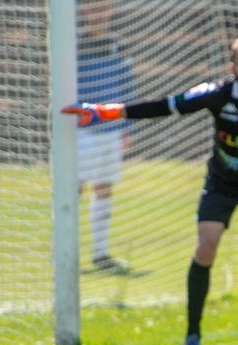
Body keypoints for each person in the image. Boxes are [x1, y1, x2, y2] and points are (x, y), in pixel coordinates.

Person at [62, 34, 238, 345]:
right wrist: (107, 112)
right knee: (205, 246)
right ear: (232, 67)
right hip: (222, 181)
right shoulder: (216, 93)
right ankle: (192, 338)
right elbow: (167, 105)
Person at [74, 0, 136, 272]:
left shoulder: (118, 45)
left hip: (111, 129)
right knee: (73, 190)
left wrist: (126, 127)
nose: (100, 12)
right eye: (94, 7)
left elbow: (127, 86)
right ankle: (64, 253)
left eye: (105, 7)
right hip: (81, 130)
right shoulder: (74, 45)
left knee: (104, 188)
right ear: (85, 11)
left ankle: (101, 255)